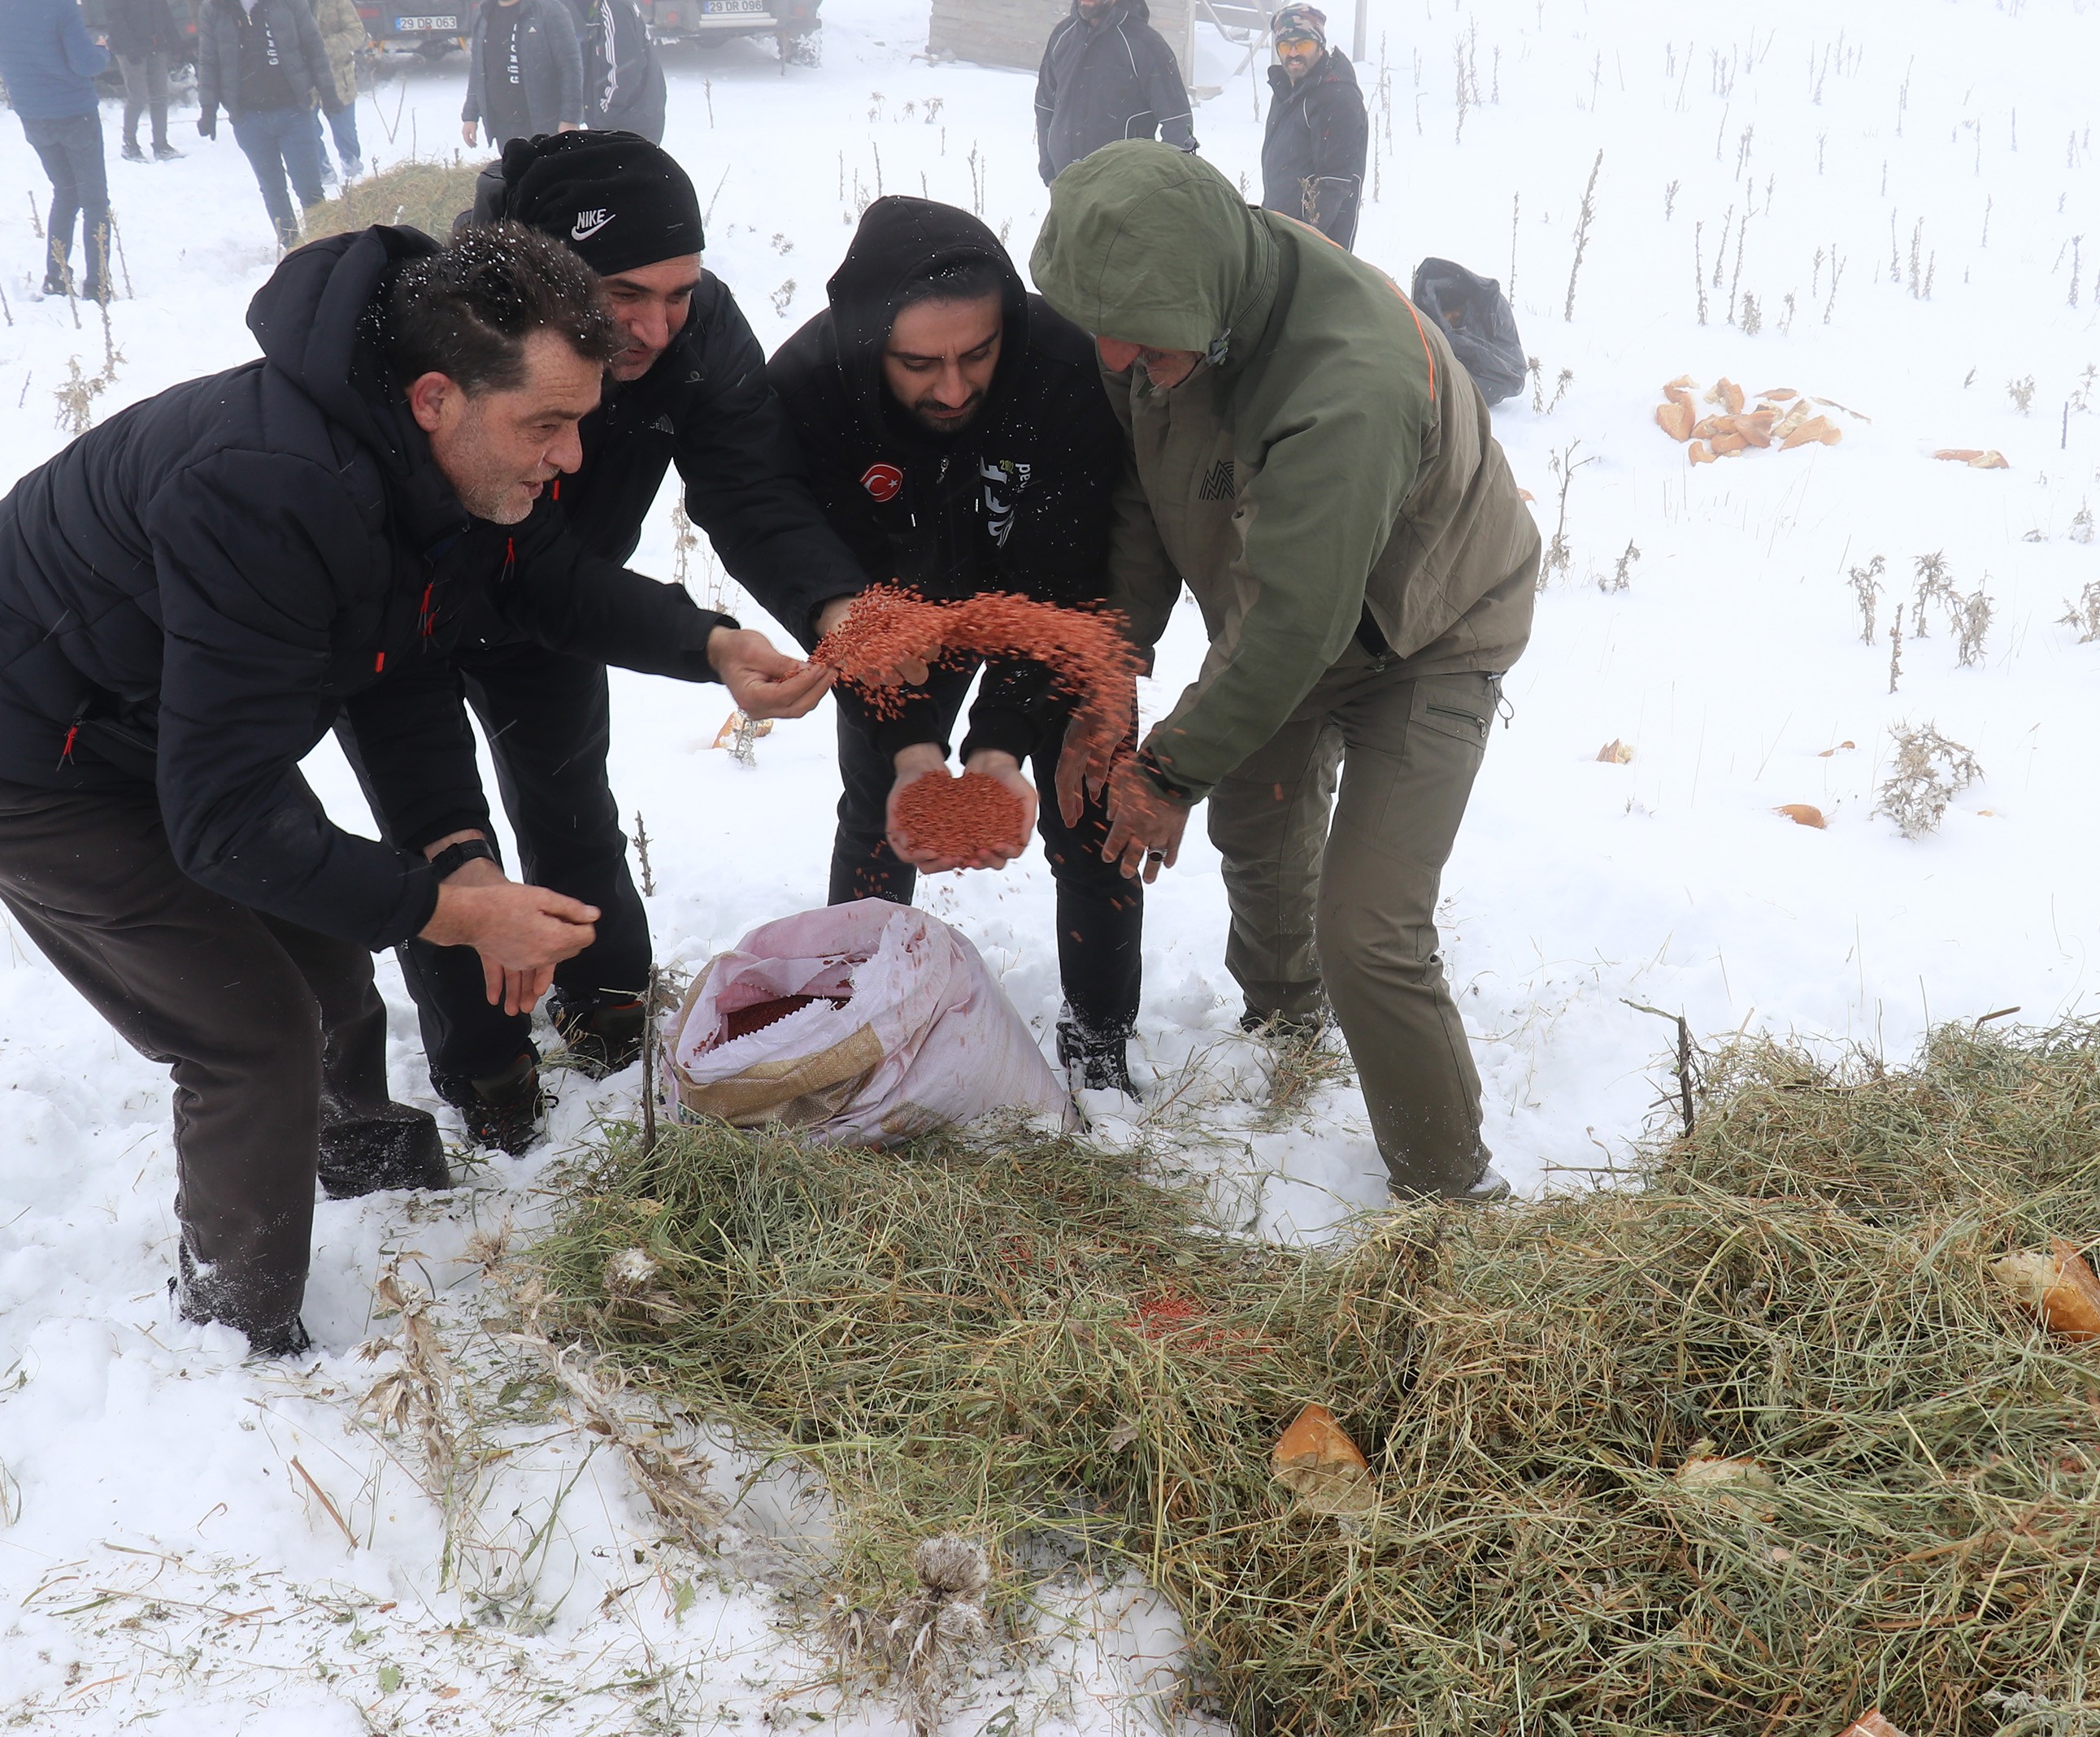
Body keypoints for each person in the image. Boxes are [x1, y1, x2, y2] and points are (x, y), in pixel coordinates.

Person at [0, 219, 830, 1357]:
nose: (571, 459)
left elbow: (475, 611)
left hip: (152, 723)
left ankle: (359, 1159)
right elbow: (224, 818)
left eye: (580, 424)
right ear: (436, 396)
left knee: (332, 950)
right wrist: (451, 903)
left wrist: (707, 645)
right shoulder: (268, 491)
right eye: (546, 425)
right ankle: (235, 1335)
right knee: (250, 1029)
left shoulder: (406, 453)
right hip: (17, 760)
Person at [1031, 141, 1541, 1201]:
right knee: (1256, 829)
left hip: (1429, 630)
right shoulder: (1162, 307)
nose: (1117, 360)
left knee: (1369, 927)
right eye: (1103, 339)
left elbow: (1297, 617)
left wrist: (1163, 771)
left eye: (1142, 346)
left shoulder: (1347, 382)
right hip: (1281, 613)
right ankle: (1282, 1023)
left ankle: (1450, 1193)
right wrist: (1109, 677)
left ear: (1204, 299)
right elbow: (1143, 500)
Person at [361, 132, 865, 1141]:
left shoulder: (696, 334)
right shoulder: (441, 330)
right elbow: (523, 558)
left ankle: (604, 1001)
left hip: (567, 603)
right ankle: (488, 1067)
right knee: (447, 845)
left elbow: (749, 485)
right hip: (400, 614)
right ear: (539, 268)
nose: (657, 325)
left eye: (680, 289)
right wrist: (704, 642)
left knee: (570, 800)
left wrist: (828, 602)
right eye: (623, 292)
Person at [766, 198, 1145, 1093]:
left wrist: (1002, 745)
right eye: (919, 363)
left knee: (1091, 799)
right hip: (894, 612)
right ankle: (852, 1024)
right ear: (869, 342)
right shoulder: (809, 389)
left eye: (977, 354)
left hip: (1039, 596)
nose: (952, 387)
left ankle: (1100, 1042)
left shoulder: (1062, 366)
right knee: (877, 808)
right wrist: (911, 750)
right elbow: (833, 591)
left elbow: (1065, 582)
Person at [0, 0, 113, 299]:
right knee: (95, 200)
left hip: (32, 113)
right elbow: (83, 64)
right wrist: (102, 50)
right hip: (74, 111)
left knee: (65, 192)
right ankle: (98, 285)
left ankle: (56, 276)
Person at [194, 0, 345, 250]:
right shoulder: (214, 9)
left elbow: (314, 49)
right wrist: (208, 109)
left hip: (294, 111)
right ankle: (293, 249)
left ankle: (323, 246)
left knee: (310, 188)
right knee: (272, 189)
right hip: (249, 118)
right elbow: (208, 63)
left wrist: (328, 94)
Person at [1032, 0, 1193, 186]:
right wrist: (1050, 172)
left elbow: (1178, 125)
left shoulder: (1145, 44)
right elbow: (1045, 106)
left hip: (1125, 195)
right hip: (1066, 188)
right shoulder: (1063, 36)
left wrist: (1160, 187)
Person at [1259, 3, 1367, 251]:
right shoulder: (1288, 90)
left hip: (1315, 249)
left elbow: (1333, 185)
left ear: (1320, 45)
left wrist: (1299, 247)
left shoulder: (1337, 98)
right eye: (1286, 46)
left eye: (1304, 44)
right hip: (1280, 234)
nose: (1294, 53)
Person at [461, 0, 581, 151]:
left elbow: (571, 68)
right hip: (503, 128)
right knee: (515, 183)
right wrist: (470, 115)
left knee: (547, 183)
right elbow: (478, 69)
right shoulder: (483, 13)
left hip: (544, 126)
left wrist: (570, 118)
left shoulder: (548, 11)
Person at [551, 0, 665, 144]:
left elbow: (625, 68)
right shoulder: (604, 4)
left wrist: (605, 114)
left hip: (629, 124)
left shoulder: (613, 8)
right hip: (632, 119)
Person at [98, 0, 184, 162]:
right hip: (131, 46)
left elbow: (161, 6)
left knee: (160, 96)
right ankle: (130, 145)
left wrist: (174, 39)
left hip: (156, 43)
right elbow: (114, 12)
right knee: (138, 97)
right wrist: (128, 47)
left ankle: (161, 144)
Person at [280, 0, 367, 185]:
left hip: (338, 78)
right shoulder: (280, 1)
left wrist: (322, 49)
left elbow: (356, 32)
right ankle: (323, 172)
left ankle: (354, 172)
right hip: (301, 83)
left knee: (345, 132)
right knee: (308, 132)